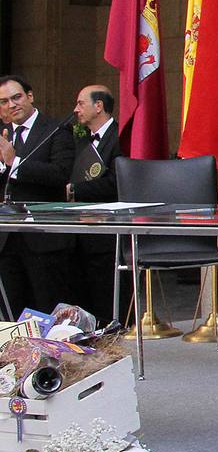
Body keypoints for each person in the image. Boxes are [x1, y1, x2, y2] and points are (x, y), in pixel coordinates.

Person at [0, 74, 76, 315]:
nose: (11, 105)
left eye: (16, 97)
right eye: (3, 102)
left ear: (30, 96)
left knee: (48, 308)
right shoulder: (3, 135)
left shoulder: (56, 129)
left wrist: (14, 162)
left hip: (44, 239)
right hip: (7, 239)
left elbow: (61, 173)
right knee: (13, 309)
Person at [66, 84, 122, 321]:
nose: (76, 109)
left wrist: (74, 190)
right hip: (82, 233)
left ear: (99, 106)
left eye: (81, 103)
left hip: (109, 233)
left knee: (107, 295)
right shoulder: (80, 140)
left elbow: (117, 182)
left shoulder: (121, 136)